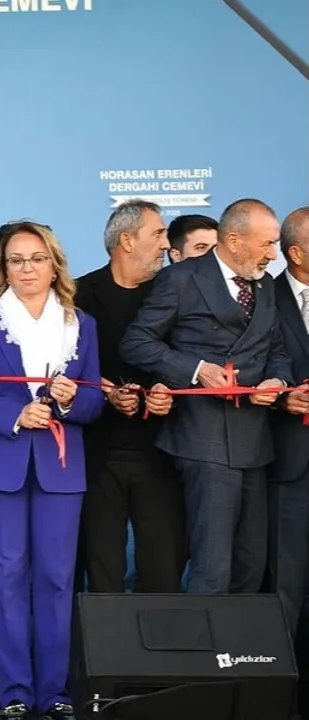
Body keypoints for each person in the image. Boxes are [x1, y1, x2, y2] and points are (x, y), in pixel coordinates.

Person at [0, 221, 103, 720]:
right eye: (16, 260)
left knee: (57, 579)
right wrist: (14, 415)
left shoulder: (82, 323)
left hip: (61, 468)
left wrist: (71, 401)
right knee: (5, 579)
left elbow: (95, 401)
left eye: (36, 258)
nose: (27, 268)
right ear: (3, 268)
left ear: (54, 264)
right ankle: (14, 693)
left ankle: (56, 693)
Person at [121, 198, 289, 595]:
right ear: (234, 240)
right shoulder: (182, 278)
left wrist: (277, 381)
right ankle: (204, 638)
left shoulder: (265, 283)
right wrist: (196, 370)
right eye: (266, 244)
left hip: (255, 439)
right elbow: (136, 342)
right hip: (203, 437)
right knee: (212, 565)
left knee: (251, 562)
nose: (273, 254)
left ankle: (241, 638)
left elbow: (277, 349)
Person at [74, 200, 182, 594]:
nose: (166, 244)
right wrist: (106, 392)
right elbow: (62, 366)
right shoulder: (78, 295)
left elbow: (186, 355)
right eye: (158, 234)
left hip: (160, 451)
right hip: (98, 453)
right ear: (127, 240)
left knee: (163, 571)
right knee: (103, 571)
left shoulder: (173, 293)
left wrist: (168, 391)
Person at [264, 206, 309, 635]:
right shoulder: (263, 297)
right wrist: (281, 399)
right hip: (290, 462)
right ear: (295, 252)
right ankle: (285, 675)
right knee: (286, 584)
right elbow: (247, 365)